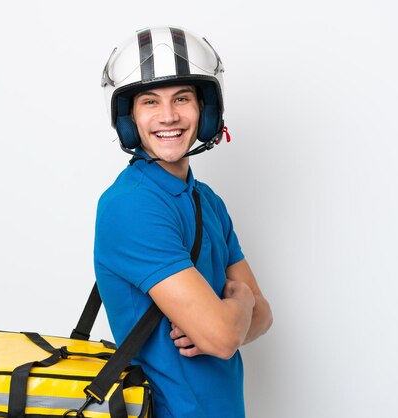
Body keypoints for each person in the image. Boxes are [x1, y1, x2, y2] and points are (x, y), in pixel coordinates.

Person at [94, 25, 273, 417]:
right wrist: (240, 303)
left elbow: (264, 318)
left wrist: (236, 315)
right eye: (150, 102)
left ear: (205, 110)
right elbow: (227, 336)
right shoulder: (132, 206)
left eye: (182, 98)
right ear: (129, 117)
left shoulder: (206, 200)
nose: (169, 116)